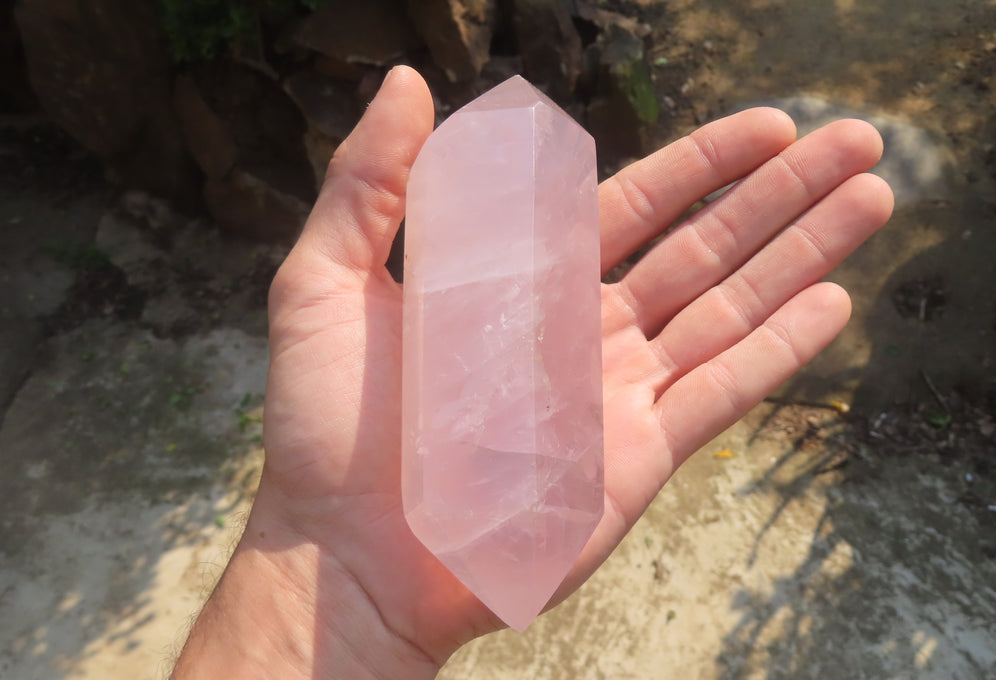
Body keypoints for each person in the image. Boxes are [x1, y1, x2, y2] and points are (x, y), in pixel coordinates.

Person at [169, 66, 893, 678]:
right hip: (468, 527)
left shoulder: (494, 158)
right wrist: (328, 587)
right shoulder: (490, 167)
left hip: (498, 526)